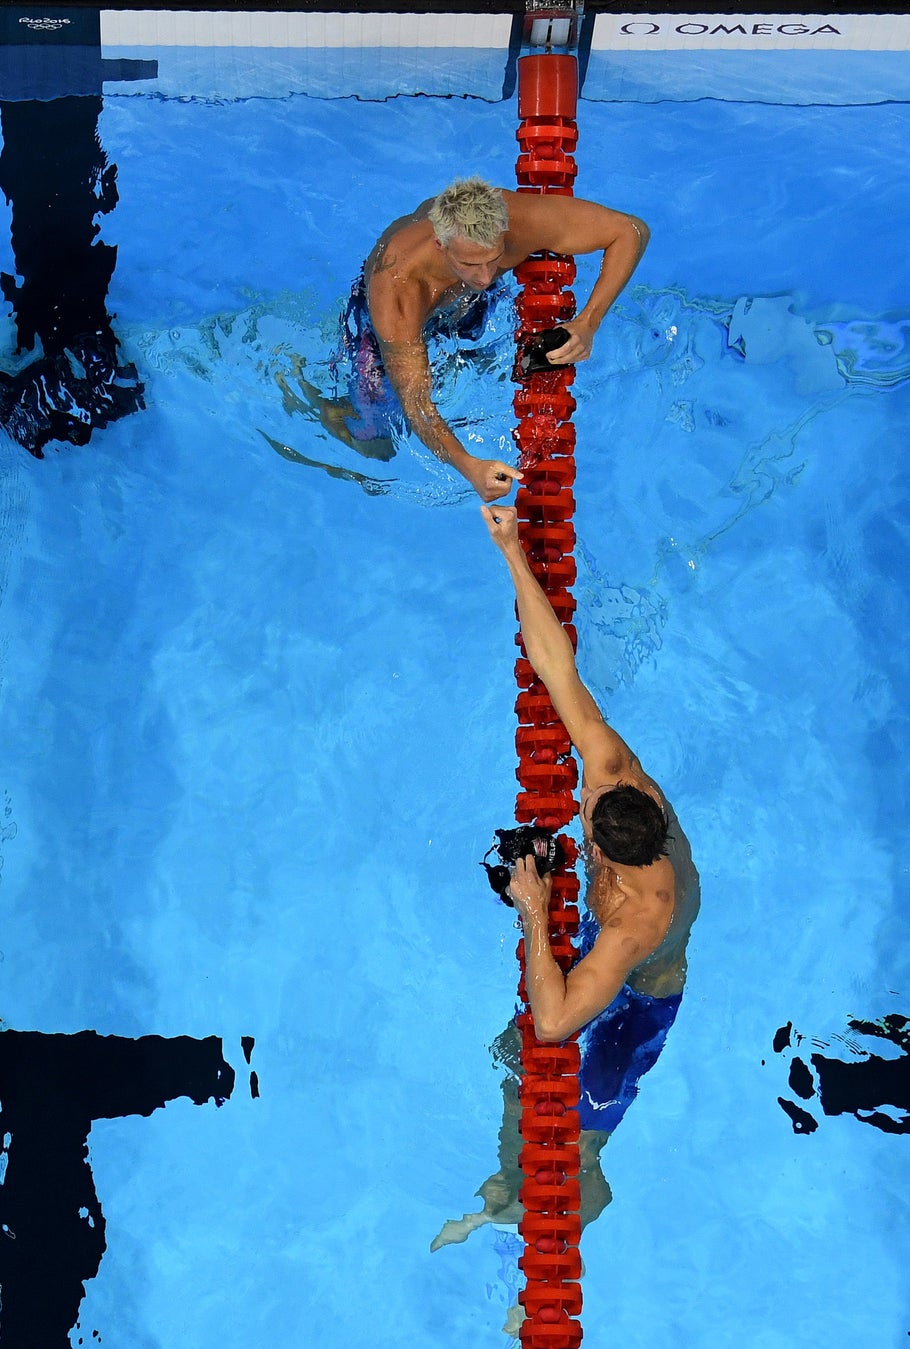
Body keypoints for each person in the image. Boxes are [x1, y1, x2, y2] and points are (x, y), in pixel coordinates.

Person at [431, 503, 699, 1255]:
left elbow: (559, 1020)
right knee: (512, 1058)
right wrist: (513, 549)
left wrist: (534, 905)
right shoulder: (613, 768)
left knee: (582, 1130)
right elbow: (556, 665)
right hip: (604, 945)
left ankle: (567, 1224)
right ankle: (499, 1196)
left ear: (614, 858)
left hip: (641, 995)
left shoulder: (638, 919)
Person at [288, 176, 648, 502]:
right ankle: (322, 404)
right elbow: (417, 404)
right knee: (379, 445)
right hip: (391, 323)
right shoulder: (398, 289)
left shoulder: (520, 221)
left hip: (460, 303)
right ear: (441, 246)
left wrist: (588, 321)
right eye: (471, 264)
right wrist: (468, 465)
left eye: (493, 260)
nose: (485, 275)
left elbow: (630, 230)